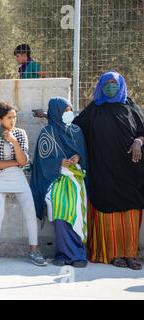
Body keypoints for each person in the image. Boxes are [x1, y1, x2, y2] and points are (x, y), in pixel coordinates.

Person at [73, 71, 144, 270]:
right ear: (101, 86)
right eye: (107, 83)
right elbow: (75, 128)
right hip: (103, 170)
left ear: (121, 85)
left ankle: (130, 254)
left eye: (114, 83)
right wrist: (49, 116)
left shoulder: (130, 106)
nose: (111, 86)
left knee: (130, 211)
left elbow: (142, 131)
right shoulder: (95, 109)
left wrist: (138, 141)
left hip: (130, 170)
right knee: (107, 210)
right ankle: (111, 253)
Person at [0, 102, 47, 267]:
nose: (13, 121)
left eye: (14, 117)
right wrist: (16, 162)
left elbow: (23, 161)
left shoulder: (20, 134)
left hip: (18, 178)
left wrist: (13, 141)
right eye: (9, 118)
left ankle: (34, 250)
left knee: (30, 212)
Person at [30, 97, 88, 268]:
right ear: (57, 112)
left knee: (76, 212)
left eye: (70, 110)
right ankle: (63, 253)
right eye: (65, 110)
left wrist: (78, 157)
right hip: (55, 180)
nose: (69, 114)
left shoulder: (76, 131)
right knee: (60, 211)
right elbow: (41, 161)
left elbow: (85, 155)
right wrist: (59, 162)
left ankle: (78, 254)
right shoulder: (47, 133)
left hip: (75, 178)